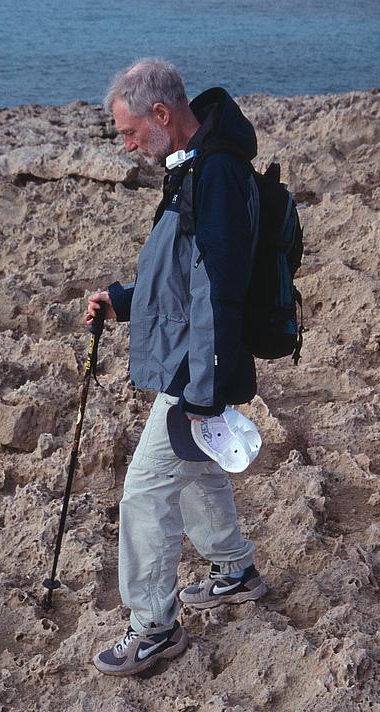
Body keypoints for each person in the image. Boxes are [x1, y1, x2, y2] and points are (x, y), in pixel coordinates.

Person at [85, 59, 266, 677]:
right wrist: (125, 299)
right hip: (198, 361)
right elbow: (182, 272)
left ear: (162, 115)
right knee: (195, 469)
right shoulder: (194, 162)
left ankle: (154, 628)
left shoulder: (214, 174)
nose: (128, 145)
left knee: (144, 492)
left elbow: (220, 290)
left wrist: (204, 390)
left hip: (201, 365)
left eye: (131, 133)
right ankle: (234, 568)